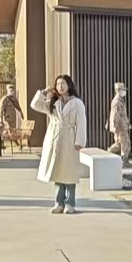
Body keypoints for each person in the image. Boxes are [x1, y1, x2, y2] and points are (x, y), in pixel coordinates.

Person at [31, 75, 88, 214]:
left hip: (69, 138)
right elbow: (35, 105)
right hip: (55, 138)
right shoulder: (53, 102)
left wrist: (79, 141)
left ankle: (70, 204)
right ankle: (59, 203)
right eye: (58, 84)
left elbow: (82, 122)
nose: (60, 86)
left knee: (69, 173)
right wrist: (44, 92)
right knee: (57, 172)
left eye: (63, 83)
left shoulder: (77, 103)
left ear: (69, 85)